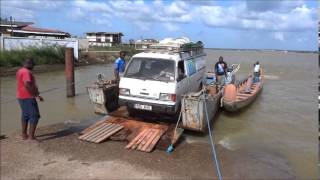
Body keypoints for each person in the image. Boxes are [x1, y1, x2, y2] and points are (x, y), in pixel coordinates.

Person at [16, 58, 44, 142]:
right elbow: (27, 84)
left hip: (21, 96)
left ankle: (24, 135)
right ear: (29, 64)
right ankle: (31, 137)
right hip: (28, 97)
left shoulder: (20, 71)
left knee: (25, 115)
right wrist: (35, 95)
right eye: (33, 65)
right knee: (35, 116)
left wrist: (38, 95)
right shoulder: (26, 72)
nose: (33, 67)